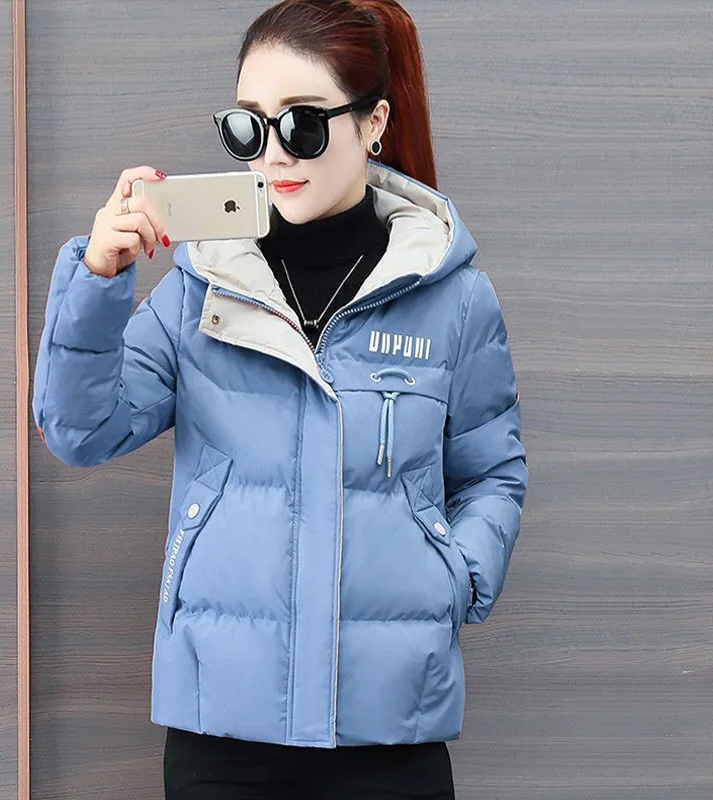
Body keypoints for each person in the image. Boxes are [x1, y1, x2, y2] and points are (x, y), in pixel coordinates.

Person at [32, 0, 528, 797]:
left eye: (302, 124)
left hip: (389, 727)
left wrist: (453, 578)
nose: (273, 153)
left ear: (373, 122)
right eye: (250, 126)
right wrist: (97, 279)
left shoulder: (452, 299)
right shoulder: (201, 286)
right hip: (222, 733)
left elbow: (492, 472)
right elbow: (78, 430)